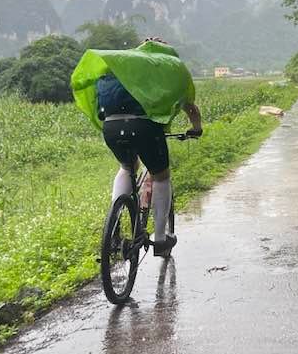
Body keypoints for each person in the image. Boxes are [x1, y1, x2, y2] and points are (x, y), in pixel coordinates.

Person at [71, 37, 202, 257]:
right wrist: (196, 128)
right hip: (143, 127)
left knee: (127, 166)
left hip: (111, 126)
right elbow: (190, 108)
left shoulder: (120, 68)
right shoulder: (164, 72)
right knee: (161, 177)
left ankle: (114, 221)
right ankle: (160, 240)